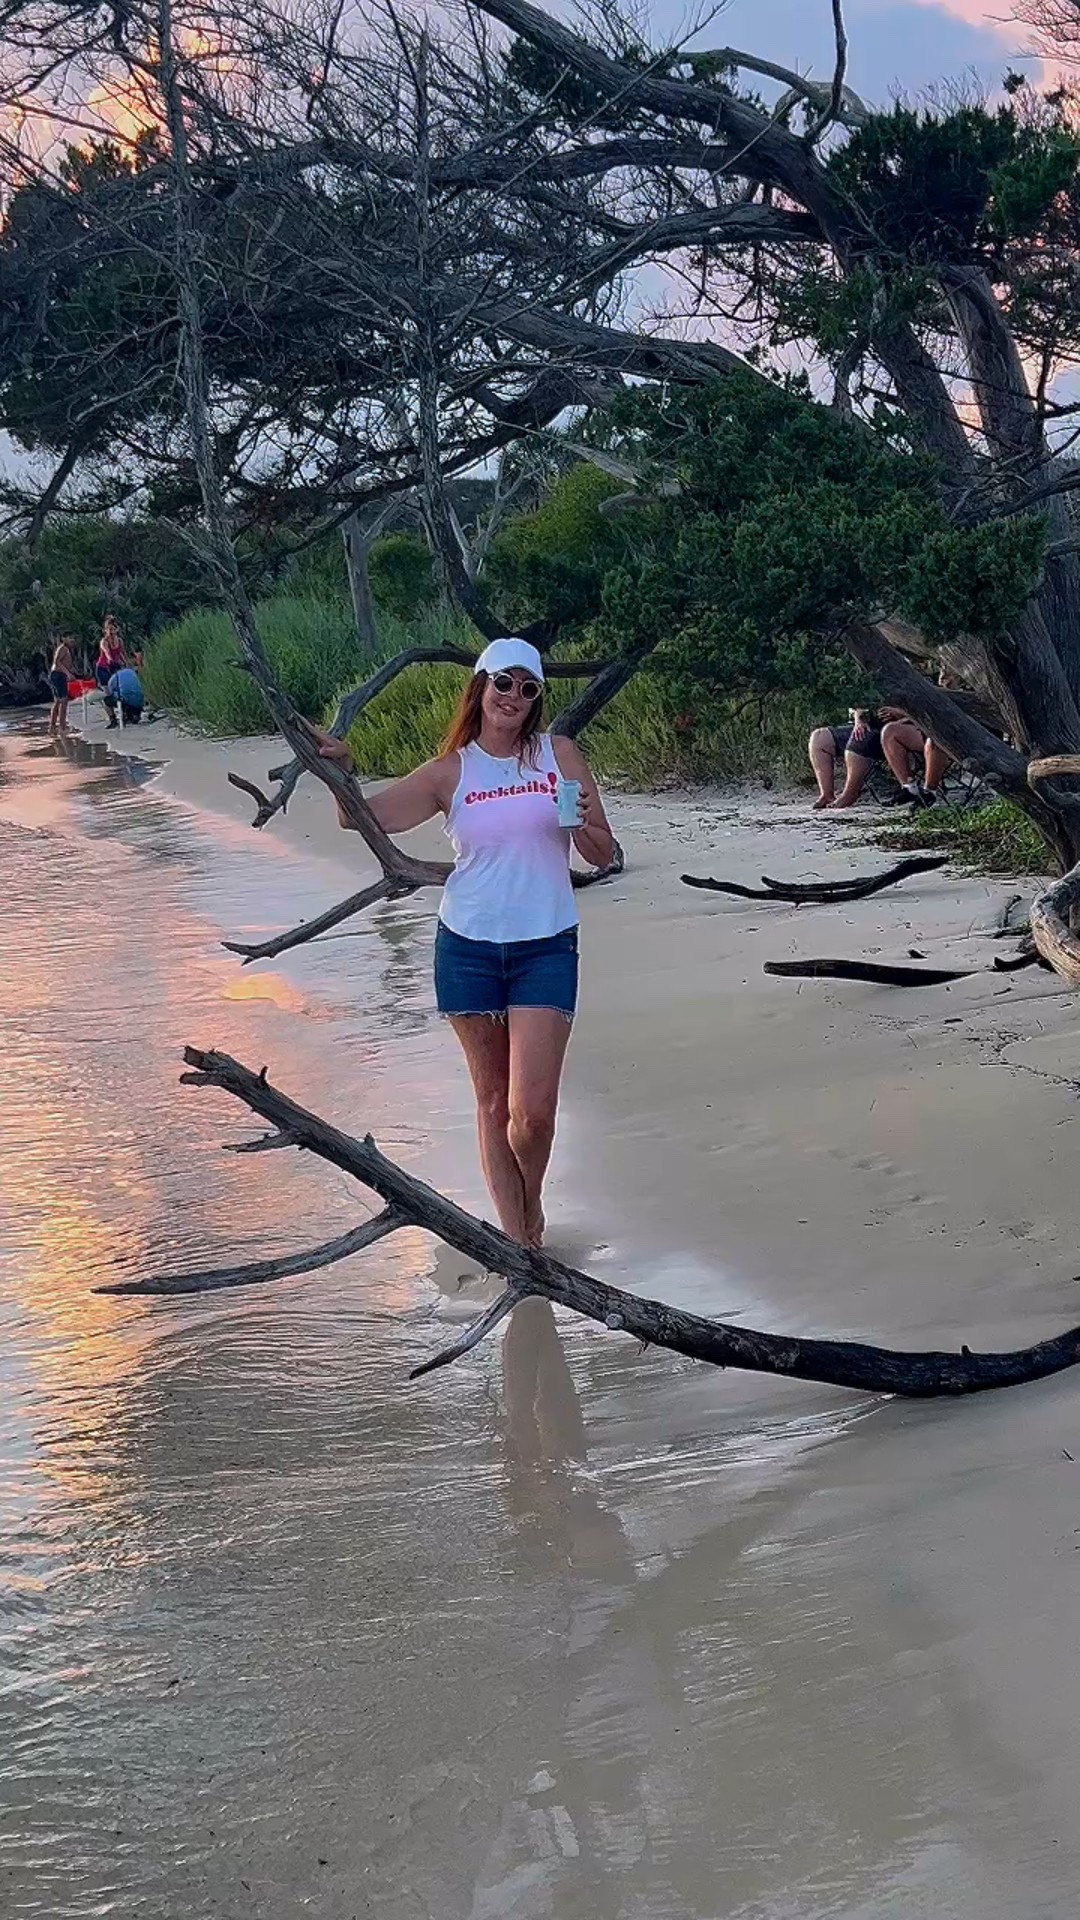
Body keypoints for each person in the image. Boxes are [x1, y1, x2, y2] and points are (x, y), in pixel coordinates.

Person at [314, 637, 615, 1250]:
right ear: (479, 687)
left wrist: (584, 820)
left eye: (527, 688)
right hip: (468, 947)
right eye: (503, 682)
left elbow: (603, 854)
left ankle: (529, 1203)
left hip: (545, 946)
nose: (513, 696)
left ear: (536, 699)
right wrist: (341, 770)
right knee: (493, 1102)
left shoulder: (558, 755)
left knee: (532, 1115)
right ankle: (521, 1246)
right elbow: (360, 817)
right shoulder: (449, 772)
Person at [808, 707, 892, 810]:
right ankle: (826, 795)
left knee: (859, 737)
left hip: (890, 728)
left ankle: (849, 795)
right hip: (868, 722)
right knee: (819, 737)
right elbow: (861, 706)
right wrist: (859, 720)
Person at [47, 635, 76, 736]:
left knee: (58, 701)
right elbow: (57, 661)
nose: (72, 640)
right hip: (57, 675)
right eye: (70, 638)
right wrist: (68, 673)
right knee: (63, 701)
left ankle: (52, 727)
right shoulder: (63, 648)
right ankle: (62, 727)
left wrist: (69, 672)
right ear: (64, 638)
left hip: (58, 675)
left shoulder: (66, 649)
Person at [96, 614, 127, 688]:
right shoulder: (104, 642)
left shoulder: (119, 641)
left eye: (113, 629)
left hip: (115, 667)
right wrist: (112, 659)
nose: (112, 632)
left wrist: (126, 663)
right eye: (110, 630)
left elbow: (122, 653)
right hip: (103, 668)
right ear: (105, 630)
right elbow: (108, 654)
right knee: (108, 690)